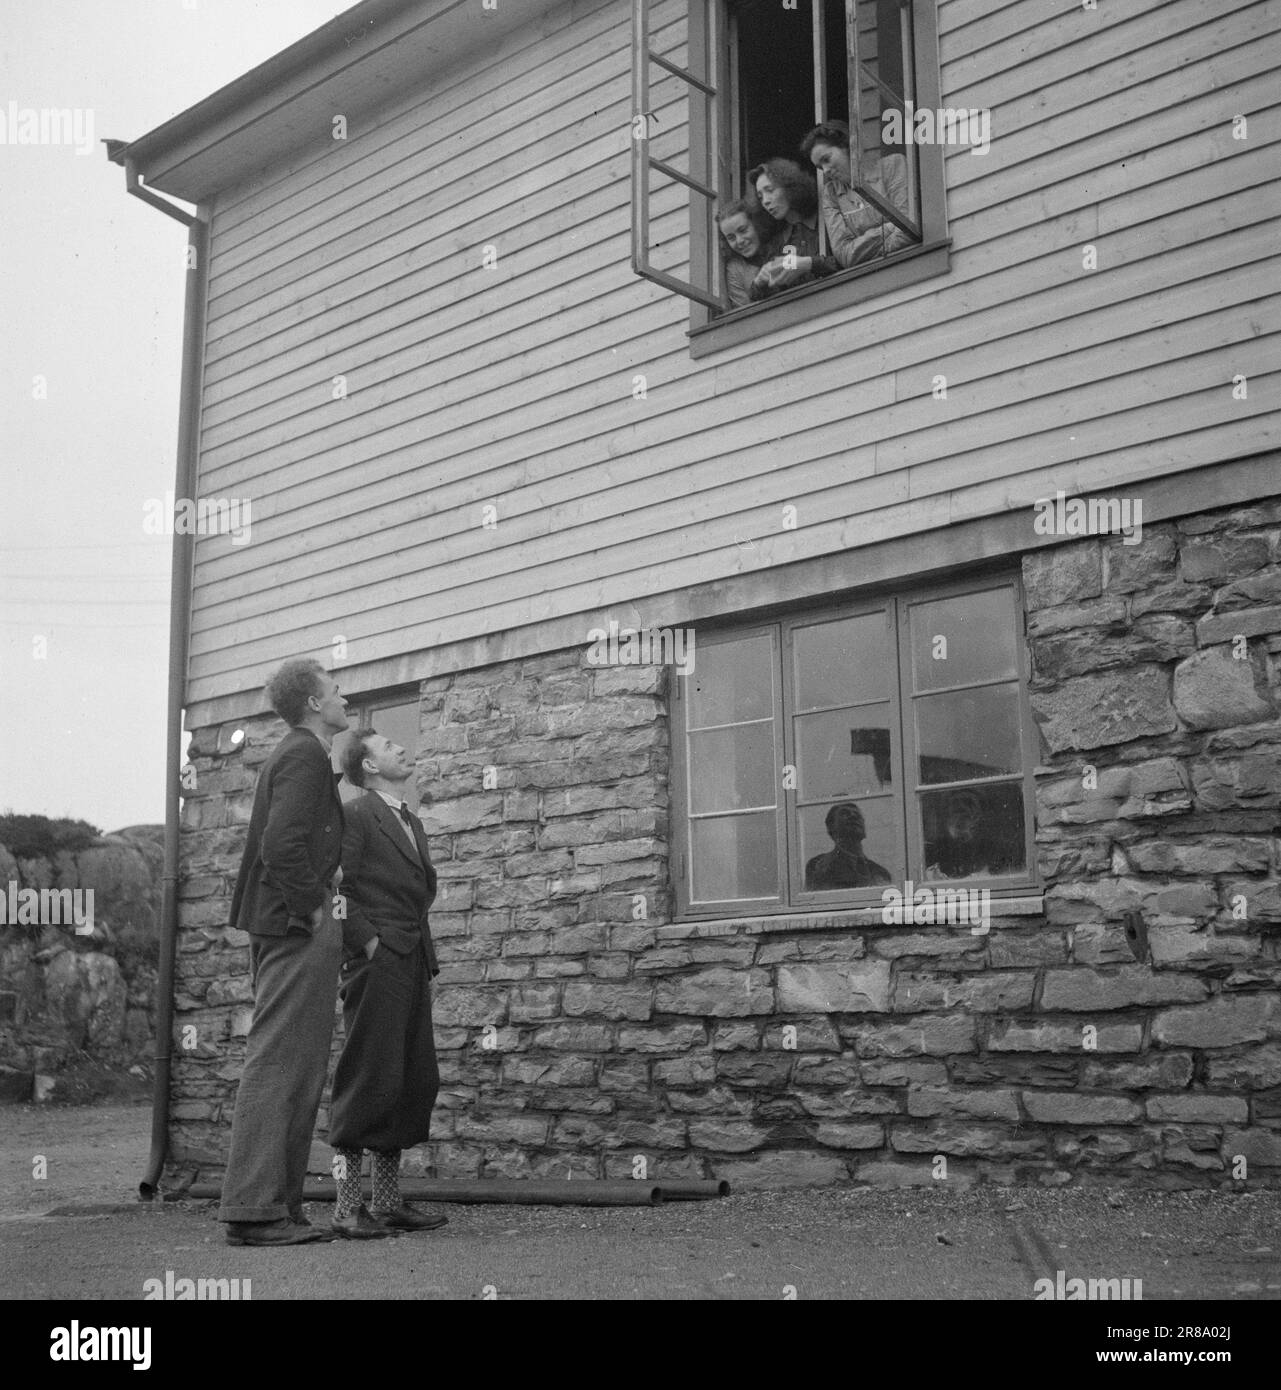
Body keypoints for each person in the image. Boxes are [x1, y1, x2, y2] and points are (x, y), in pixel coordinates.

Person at [220, 658, 349, 1247]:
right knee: (279, 1062)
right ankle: (254, 1211)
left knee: (299, 1064)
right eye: (336, 689)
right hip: (296, 924)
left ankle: (279, 1208)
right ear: (315, 704)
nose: (344, 696)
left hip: (293, 923)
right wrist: (314, 908)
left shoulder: (303, 753)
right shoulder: (301, 753)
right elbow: (280, 844)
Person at [328, 728, 446, 1237]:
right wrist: (366, 943)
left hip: (412, 960)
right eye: (389, 745)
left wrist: (423, 959)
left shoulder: (409, 820)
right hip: (377, 963)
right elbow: (334, 888)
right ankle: (346, 1208)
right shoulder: (355, 815)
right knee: (368, 1074)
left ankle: (388, 1200)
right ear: (370, 767)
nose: (401, 747)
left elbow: (418, 895)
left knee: (408, 1076)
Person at [801, 120, 914, 268]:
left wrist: (865, 249)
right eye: (820, 167)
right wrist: (889, 228)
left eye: (826, 159)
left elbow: (908, 230)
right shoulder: (831, 194)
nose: (826, 170)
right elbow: (844, 255)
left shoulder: (892, 166)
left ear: (847, 146)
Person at [746, 157, 837, 300]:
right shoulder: (778, 243)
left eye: (770, 190)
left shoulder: (827, 220)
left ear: (790, 187)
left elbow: (847, 260)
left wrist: (809, 264)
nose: (765, 201)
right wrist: (760, 282)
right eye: (760, 196)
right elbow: (762, 297)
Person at [804, 801, 892, 891]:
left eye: (857, 815)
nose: (853, 816)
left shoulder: (880, 872)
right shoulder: (818, 865)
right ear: (831, 827)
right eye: (845, 814)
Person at [716, 198, 775, 309]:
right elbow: (744, 313)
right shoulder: (735, 269)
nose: (739, 241)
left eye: (743, 230)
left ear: (756, 224)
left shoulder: (779, 243)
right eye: (731, 238)